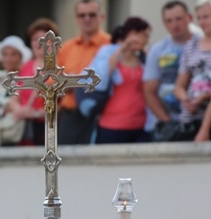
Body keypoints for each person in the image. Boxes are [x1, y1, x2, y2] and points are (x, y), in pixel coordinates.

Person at [57, 0, 111, 144]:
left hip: (100, 115)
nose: (87, 19)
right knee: (65, 162)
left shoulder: (110, 45)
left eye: (92, 15)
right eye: (82, 15)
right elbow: (50, 83)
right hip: (70, 116)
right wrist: (67, 84)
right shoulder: (66, 48)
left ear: (101, 17)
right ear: (76, 18)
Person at [91, 17, 152, 143]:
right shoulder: (109, 52)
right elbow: (101, 76)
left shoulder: (143, 59)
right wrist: (124, 47)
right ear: (133, 34)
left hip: (140, 125)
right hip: (112, 125)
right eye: (144, 36)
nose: (147, 40)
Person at [144, 1, 197, 138]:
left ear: (189, 18)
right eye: (169, 20)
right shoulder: (157, 50)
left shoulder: (204, 44)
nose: (174, 24)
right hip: (169, 123)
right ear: (164, 23)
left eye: (179, 19)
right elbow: (149, 91)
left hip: (200, 121)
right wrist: (167, 122)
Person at [14, 18, 61, 146]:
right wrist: (19, 110)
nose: (40, 42)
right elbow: (15, 96)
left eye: (44, 38)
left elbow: (64, 105)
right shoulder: (25, 66)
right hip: (23, 129)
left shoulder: (60, 67)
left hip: (48, 129)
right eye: (35, 39)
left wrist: (35, 114)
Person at [0, 36, 31, 146]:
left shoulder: (24, 78)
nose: (8, 58)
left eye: (13, 54)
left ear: (20, 58)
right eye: (5, 54)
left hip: (11, 133)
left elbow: (19, 105)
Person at [175, 0, 211, 140]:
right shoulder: (191, 46)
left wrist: (204, 97)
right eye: (199, 18)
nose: (202, 22)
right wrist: (187, 99)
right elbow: (179, 86)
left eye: (206, 17)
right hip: (190, 120)